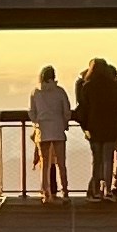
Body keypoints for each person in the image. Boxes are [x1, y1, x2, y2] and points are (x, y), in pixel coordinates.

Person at [74, 55, 117, 202]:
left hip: (94, 128)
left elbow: (83, 109)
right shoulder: (114, 86)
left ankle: (95, 192)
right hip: (111, 127)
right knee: (108, 159)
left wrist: (85, 126)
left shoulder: (87, 86)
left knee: (97, 160)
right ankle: (108, 191)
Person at [29, 63, 72, 201]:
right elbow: (67, 110)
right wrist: (65, 122)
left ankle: (46, 192)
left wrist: (37, 122)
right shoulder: (60, 91)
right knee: (61, 163)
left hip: (43, 130)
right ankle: (65, 191)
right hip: (58, 129)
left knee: (45, 163)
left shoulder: (36, 92)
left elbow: (31, 111)